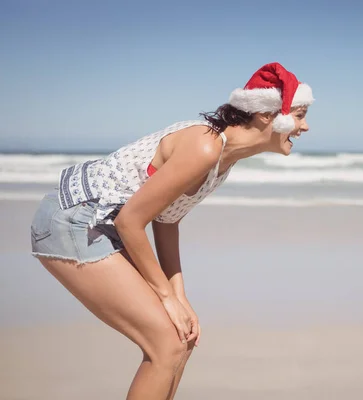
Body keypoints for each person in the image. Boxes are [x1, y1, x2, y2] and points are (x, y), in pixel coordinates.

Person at [29, 62, 314, 400]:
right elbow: (130, 222)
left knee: (181, 339)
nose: (305, 126)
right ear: (267, 116)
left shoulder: (225, 159)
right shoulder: (205, 147)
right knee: (165, 343)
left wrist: (180, 297)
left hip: (101, 225)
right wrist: (165, 296)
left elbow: (166, 220)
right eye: (299, 115)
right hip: (75, 219)